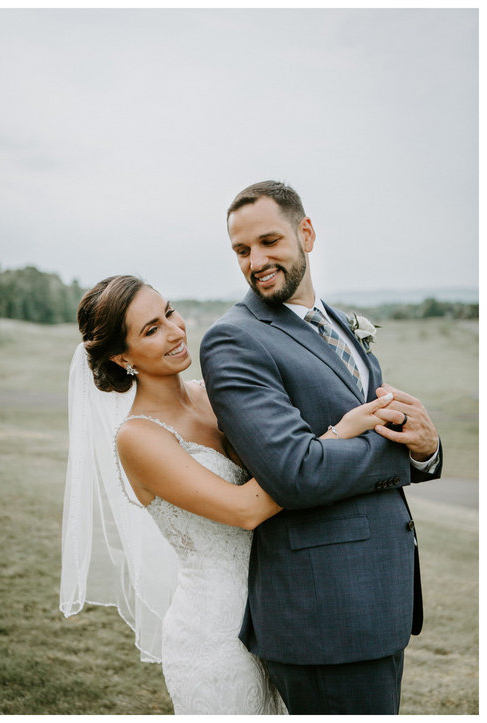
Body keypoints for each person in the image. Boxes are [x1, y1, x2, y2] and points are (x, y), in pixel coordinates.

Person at [60, 274, 398, 714]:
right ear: (122, 357)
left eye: (169, 312)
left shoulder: (212, 395)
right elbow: (245, 510)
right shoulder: (138, 437)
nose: (175, 330)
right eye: (151, 329)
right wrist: (336, 436)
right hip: (215, 634)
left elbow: (282, 450)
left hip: (283, 612)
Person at [199, 180, 443, 714]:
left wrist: (426, 446)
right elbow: (295, 472)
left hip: (375, 598)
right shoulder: (235, 339)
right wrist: (404, 456)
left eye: (269, 242)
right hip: (324, 614)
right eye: (242, 250)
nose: (255, 261)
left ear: (305, 233)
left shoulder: (336, 323)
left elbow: (377, 420)